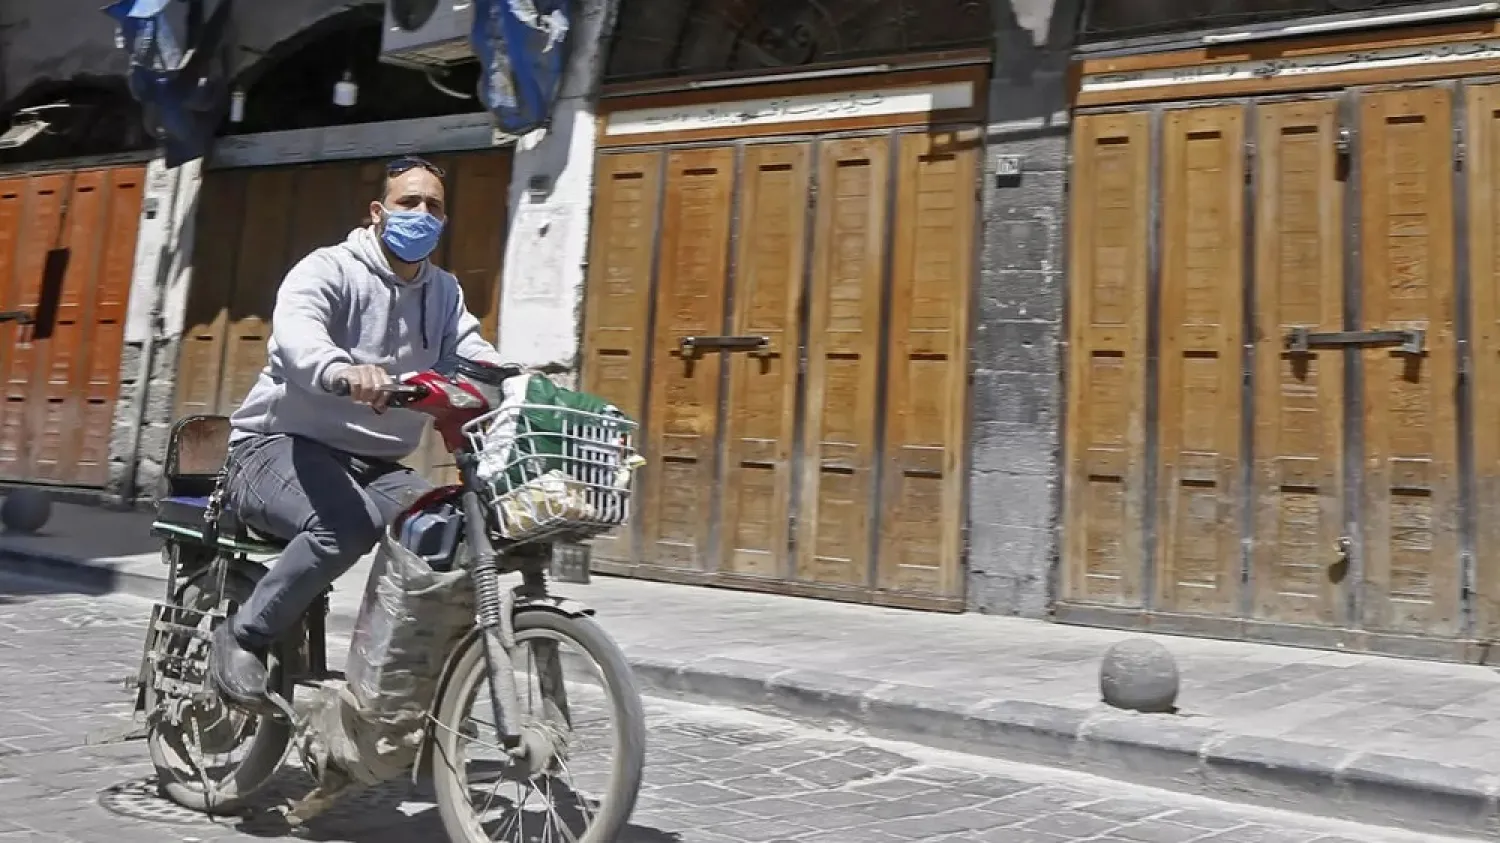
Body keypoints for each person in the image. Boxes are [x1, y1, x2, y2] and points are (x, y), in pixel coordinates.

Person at [210, 155, 506, 706]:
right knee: (345, 525)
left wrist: (512, 380)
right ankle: (243, 634)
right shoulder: (329, 269)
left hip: (374, 465)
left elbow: (474, 353)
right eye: (408, 202)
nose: (422, 214)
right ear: (378, 211)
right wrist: (341, 370)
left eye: (433, 206)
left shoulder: (444, 292)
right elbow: (298, 335)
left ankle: (395, 677)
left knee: (448, 527)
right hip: (275, 447)